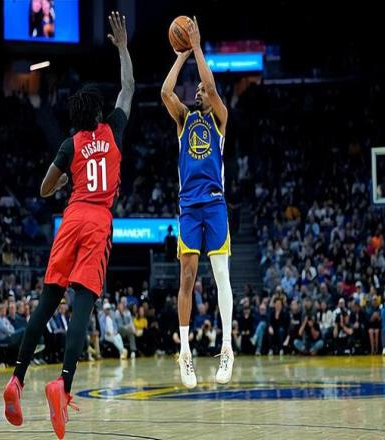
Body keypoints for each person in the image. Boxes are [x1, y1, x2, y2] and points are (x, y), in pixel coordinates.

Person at [3, 12, 134, 439]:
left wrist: (63, 183)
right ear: (98, 111)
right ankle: (63, 382)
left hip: (72, 217)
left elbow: (44, 189)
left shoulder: (70, 143)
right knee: (83, 305)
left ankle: (17, 378)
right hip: (97, 220)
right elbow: (128, 88)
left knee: (47, 302)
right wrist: (122, 48)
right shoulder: (113, 129)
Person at [161, 16, 233, 388]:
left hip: (215, 204)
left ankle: (227, 348)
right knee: (187, 277)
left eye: (205, 89)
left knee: (221, 277)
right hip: (189, 206)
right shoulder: (184, 119)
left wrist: (199, 47)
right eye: (199, 89)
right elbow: (165, 91)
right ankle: (185, 353)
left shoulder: (220, 117)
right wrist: (182, 53)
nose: (201, 91)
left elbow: (212, 85)